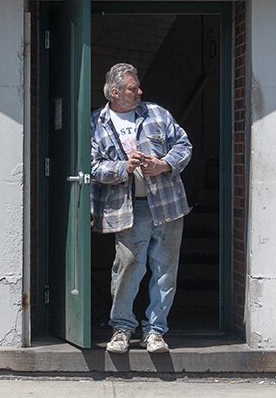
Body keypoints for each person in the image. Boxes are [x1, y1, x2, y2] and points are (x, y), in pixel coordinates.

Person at [90, 63, 192, 354]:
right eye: (133, 88)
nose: (139, 91)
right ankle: (121, 328)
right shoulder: (97, 123)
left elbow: (184, 145)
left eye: (138, 86)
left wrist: (163, 164)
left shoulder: (157, 113)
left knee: (165, 270)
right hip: (127, 207)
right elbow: (92, 166)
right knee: (127, 267)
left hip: (168, 204)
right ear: (115, 92)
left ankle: (156, 331)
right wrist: (125, 167)